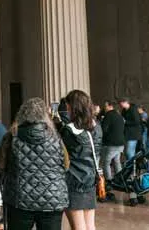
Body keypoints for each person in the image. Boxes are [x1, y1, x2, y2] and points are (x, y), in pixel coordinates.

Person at [0, 98, 68, 230]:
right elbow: (66, 164)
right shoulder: (56, 138)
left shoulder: (11, 136)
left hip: (19, 199)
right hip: (52, 199)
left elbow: (1, 165)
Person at [60, 90, 102, 230]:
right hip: (90, 179)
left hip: (74, 181)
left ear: (73, 107)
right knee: (90, 225)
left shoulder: (69, 131)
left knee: (78, 227)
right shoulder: (97, 127)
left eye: (68, 106)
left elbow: (62, 155)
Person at [99, 100, 125, 181]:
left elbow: (103, 129)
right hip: (120, 143)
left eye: (106, 106)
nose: (104, 108)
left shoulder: (108, 115)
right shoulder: (119, 115)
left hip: (112, 144)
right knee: (117, 161)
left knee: (106, 163)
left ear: (110, 106)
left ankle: (109, 180)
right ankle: (120, 178)